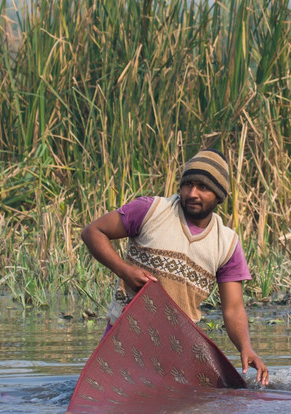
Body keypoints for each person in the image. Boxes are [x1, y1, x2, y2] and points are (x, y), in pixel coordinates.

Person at [81, 148, 269, 386]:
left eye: (203, 187)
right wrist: (124, 270)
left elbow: (232, 309)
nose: (192, 193)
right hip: (124, 336)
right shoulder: (151, 211)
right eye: (187, 185)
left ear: (219, 196)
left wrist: (246, 348)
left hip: (175, 349)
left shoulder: (227, 244)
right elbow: (92, 232)